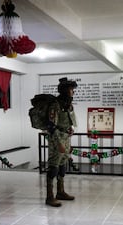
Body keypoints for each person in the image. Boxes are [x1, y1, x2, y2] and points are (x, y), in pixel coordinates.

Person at [45, 77, 78, 207]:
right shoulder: (55, 105)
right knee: (54, 167)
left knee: (63, 165)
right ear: (64, 91)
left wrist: (71, 129)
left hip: (66, 137)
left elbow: (69, 120)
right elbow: (51, 126)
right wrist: (59, 143)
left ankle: (60, 192)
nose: (73, 92)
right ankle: (49, 196)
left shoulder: (68, 105)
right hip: (56, 139)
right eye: (71, 90)